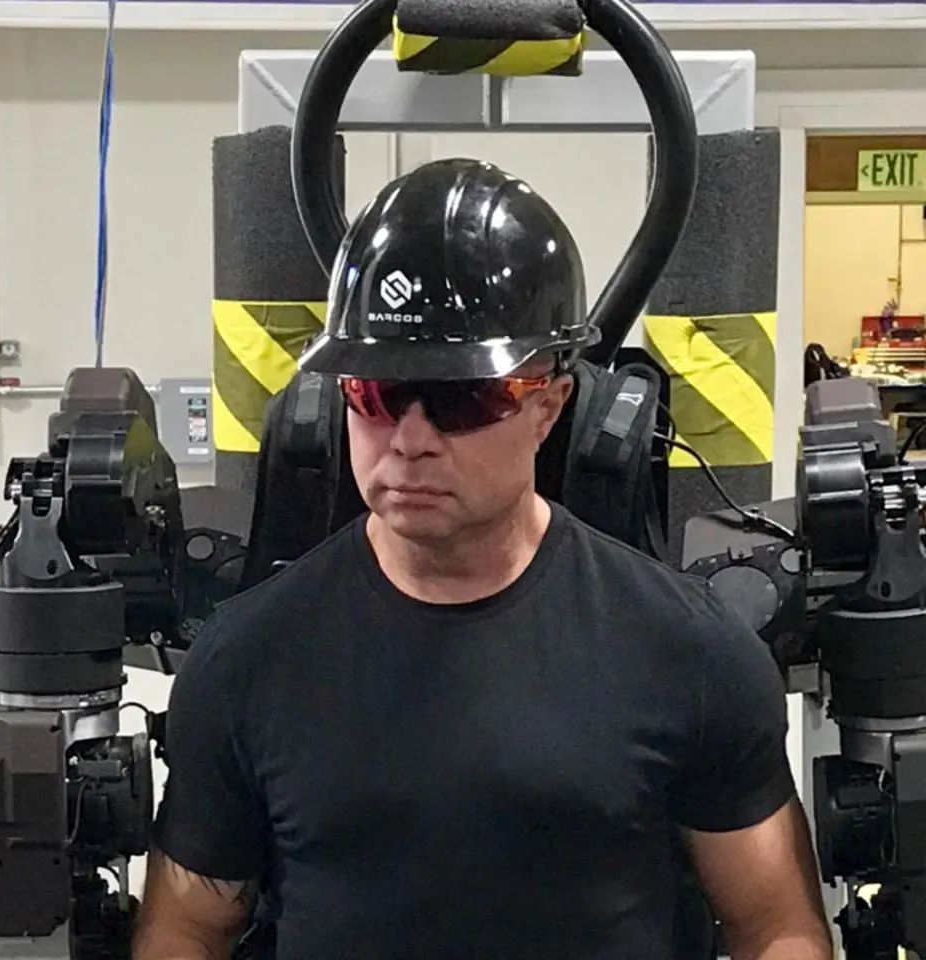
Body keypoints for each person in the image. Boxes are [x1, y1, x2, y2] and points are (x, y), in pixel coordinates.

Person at [133, 158, 832, 960]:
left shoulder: (690, 654)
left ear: (549, 406)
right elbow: (186, 929)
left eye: (461, 399)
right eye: (375, 395)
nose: (410, 438)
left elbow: (776, 927)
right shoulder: (246, 662)